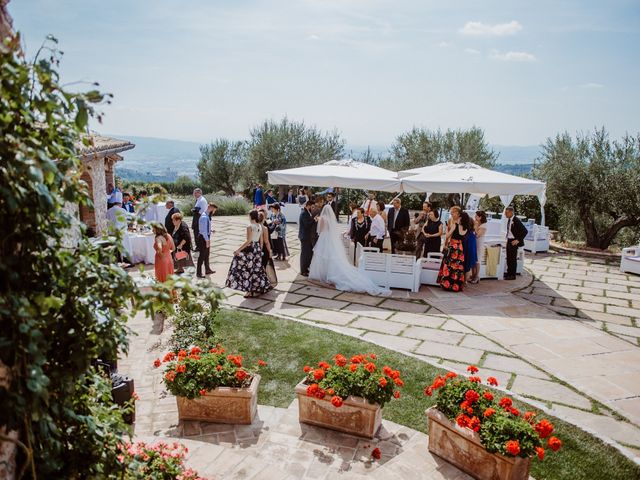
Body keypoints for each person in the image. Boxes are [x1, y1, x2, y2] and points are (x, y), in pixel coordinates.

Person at [310, 205, 390, 296]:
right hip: (330, 239)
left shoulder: (322, 218)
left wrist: (317, 221)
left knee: (323, 256)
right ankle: (327, 274)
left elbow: (319, 230)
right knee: (331, 256)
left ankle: (323, 274)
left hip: (324, 238)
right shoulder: (330, 219)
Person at [226, 210, 273, 298]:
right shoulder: (260, 226)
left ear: (251, 217)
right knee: (256, 269)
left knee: (246, 269)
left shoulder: (250, 227)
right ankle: (260, 287)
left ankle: (249, 291)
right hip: (257, 249)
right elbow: (261, 241)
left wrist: (238, 250)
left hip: (251, 249)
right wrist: (259, 250)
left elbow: (248, 241)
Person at [438, 206, 467, 292]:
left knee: (449, 266)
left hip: (453, 247)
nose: (452, 215)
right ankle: (456, 287)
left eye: (453, 213)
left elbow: (447, 236)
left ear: (459, 215)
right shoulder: (465, 228)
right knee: (458, 268)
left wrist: (447, 229)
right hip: (460, 248)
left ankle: (447, 286)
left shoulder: (455, 225)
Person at [504, 207, 528, 280]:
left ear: (511, 212)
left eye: (506, 212)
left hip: (513, 241)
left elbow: (525, 231)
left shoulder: (516, 220)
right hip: (509, 240)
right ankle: (509, 273)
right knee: (509, 258)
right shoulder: (509, 220)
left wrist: (518, 240)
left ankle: (512, 275)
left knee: (513, 259)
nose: (505, 214)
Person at [196, 203, 216, 278]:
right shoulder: (204, 217)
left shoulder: (206, 215)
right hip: (203, 238)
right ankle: (198, 273)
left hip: (205, 236)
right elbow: (203, 231)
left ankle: (207, 269)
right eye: (214, 210)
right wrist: (207, 241)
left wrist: (210, 230)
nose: (214, 211)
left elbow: (205, 228)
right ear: (211, 208)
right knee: (202, 255)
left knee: (207, 254)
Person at [298, 200, 316, 276]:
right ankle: (303, 270)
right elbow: (307, 225)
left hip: (307, 236)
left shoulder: (307, 212)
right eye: (312, 207)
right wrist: (314, 220)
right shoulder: (304, 213)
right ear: (308, 205)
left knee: (308, 253)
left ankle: (306, 268)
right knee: (305, 254)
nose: (313, 208)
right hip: (304, 236)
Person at [470, 211, 488, 283]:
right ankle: (473, 275)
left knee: (477, 260)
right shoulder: (476, 223)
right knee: (473, 259)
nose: (475, 217)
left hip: (479, 243)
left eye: (476, 216)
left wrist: (476, 226)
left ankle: (477, 276)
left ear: (480, 217)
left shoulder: (484, 225)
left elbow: (477, 235)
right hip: (474, 242)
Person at [461, 212, 478, 284]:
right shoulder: (472, 234)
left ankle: (465, 280)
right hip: (470, 250)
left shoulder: (467, 233)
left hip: (467, 249)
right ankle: (465, 280)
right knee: (467, 264)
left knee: (466, 264)